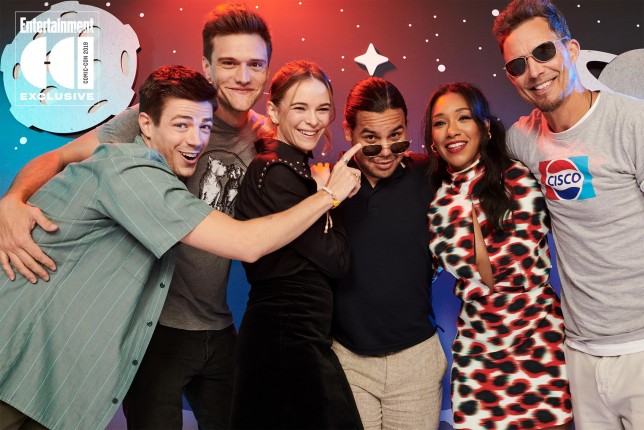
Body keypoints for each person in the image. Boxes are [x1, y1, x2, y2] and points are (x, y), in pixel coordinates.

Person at [0, 65, 362, 430]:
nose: (196, 140)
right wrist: (330, 195)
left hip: (54, 369)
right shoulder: (133, 172)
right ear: (145, 125)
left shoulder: (159, 165)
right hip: (19, 355)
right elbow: (247, 243)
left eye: (205, 127)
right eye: (181, 125)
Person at [0, 4, 273, 428]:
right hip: (152, 324)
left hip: (218, 324)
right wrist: (12, 200)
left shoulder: (266, 137)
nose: (243, 76)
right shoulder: (154, 118)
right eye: (229, 63)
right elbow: (60, 157)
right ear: (207, 67)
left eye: (255, 64)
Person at [493, 0, 644, 428]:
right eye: (518, 64)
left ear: (571, 50)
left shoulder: (632, 122)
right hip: (580, 353)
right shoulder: (523, 140)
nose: (534, 72)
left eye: (544, 52)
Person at [424, 82, 572, 429]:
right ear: (432, 138)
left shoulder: (522, 177)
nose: (452, 130)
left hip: (538, 341)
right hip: (477, 354)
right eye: (440, 122)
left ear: (485, 127)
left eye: (463, 117)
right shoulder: (433, 199)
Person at [231, 60, 363, 429]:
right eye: (300, 108)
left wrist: (323, 193)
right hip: (286, 340)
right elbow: (337, 260)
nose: (313, 120)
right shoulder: (277, 171)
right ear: (274, 111)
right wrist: (332, 197)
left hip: (295, 339)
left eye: (322, 109)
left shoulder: (296, 172)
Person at [330, 77, 447, 429]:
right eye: (371, 139)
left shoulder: (430, 175)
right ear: (348, 131)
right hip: (348, 359)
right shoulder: (328, 186)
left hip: (416, 360)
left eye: (396, 137)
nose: (385, 151)